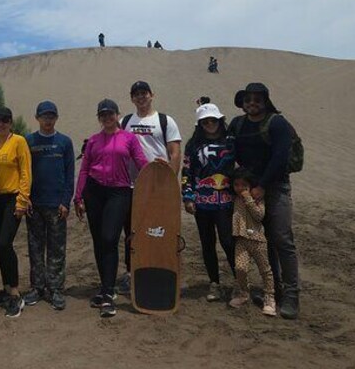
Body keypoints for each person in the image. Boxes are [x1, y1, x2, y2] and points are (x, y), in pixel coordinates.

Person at [229, 82, 300, 319]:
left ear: (265, 101)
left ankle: (291, 294)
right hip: (249, 191)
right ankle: (275, 289)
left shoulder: (276, 123)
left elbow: (280, 156)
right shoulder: (237, 124)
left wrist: (262, 185)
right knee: (263, 239)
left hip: (275, 187)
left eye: (257, 99)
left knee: (281, 238)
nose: (252, 103)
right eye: (248, 99)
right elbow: (231, 154)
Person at [74, 99, 149, 318]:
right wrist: (78, 196)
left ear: (117, 115)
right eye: (103, 115)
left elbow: (141, 161)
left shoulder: (129, 138)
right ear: (99, 118)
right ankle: (106, 289)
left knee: (109, 238)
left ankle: (107, 293)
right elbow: (85, 169)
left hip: (120, 191)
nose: (107, 118)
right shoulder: (94, 141)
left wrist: (156, 175)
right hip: (94, 191)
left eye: (110, 114)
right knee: (99, 241)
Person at [117, 80, 182, 294]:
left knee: (162, 229)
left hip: (160, 186)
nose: (141, 97)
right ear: (131, 98)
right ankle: (130, 272)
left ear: (151, 94)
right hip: (131, 186)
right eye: (136, 94)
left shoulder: (165, 120)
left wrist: (171, 182)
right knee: (132, 230)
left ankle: (167, 269)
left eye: (144, 93)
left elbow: (174, 152)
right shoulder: (125, 121)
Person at [23, 101, 74, 310]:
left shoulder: (64, 142)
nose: (48, 120)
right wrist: (24, 198)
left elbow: (70, 174)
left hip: (56, 205)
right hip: (34, 204)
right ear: (37, 118)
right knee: (35, 248)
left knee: (56, 249)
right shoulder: (29, 141)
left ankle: (55, 289)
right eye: (44, 116)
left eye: (51, 116)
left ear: (56, 118)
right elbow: (23, 172)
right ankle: (37, 287)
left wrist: (65, 201)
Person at [0, 107, 32, 318]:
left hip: (13, 198)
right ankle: (5, 286)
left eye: (5, 120)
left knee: (5, 243)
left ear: (11, 122)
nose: (0, 124)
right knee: (1, 247)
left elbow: (25, 172)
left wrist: (22, 200)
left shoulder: (18, 141)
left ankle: (15, 293)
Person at [182, 102, 236, 302]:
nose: (210, 124)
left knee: (229, 241)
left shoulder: (231, 141)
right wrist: (187, 197)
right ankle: (215, 283)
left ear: (220, 120)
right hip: (202, 202)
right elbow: (187, 172)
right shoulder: (193, 145)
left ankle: (241, 282)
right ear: (200, 124)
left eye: (213, 120)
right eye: (205, 122)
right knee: (207, 243)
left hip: (226, 201)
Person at [228, 167, 276, 316]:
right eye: (237, 185)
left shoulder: (257, 198)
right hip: (241, 240)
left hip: (257, 239)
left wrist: (249, 198)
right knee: (240, 268)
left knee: (265, 269)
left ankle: (270, 297)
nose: (240, 188)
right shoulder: (234, 198)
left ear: (250, 185)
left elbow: (259, 215)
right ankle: (243, 293)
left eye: (244, 185)